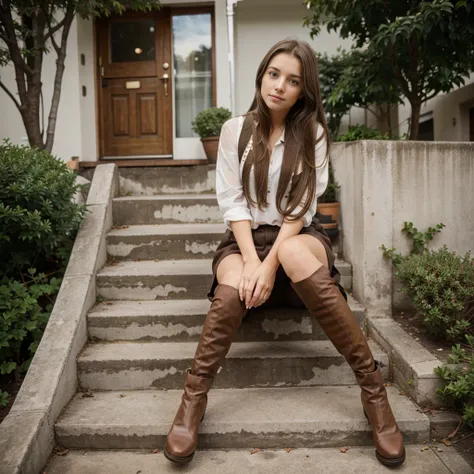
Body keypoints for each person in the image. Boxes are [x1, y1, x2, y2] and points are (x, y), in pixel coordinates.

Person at [164, 38, 405, 468]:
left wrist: (271, 262)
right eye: (274, 74)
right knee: (233, 281)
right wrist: (253, 262)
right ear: (261, 74)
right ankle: (192, 400)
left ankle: (374, 392)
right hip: (244, 238)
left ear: (303, 91)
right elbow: (233, 202)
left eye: (293, 81)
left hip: (298, 237)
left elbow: (300, 207)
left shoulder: (311, 134)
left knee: (292, 249)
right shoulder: (234, 130)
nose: (279, 86)